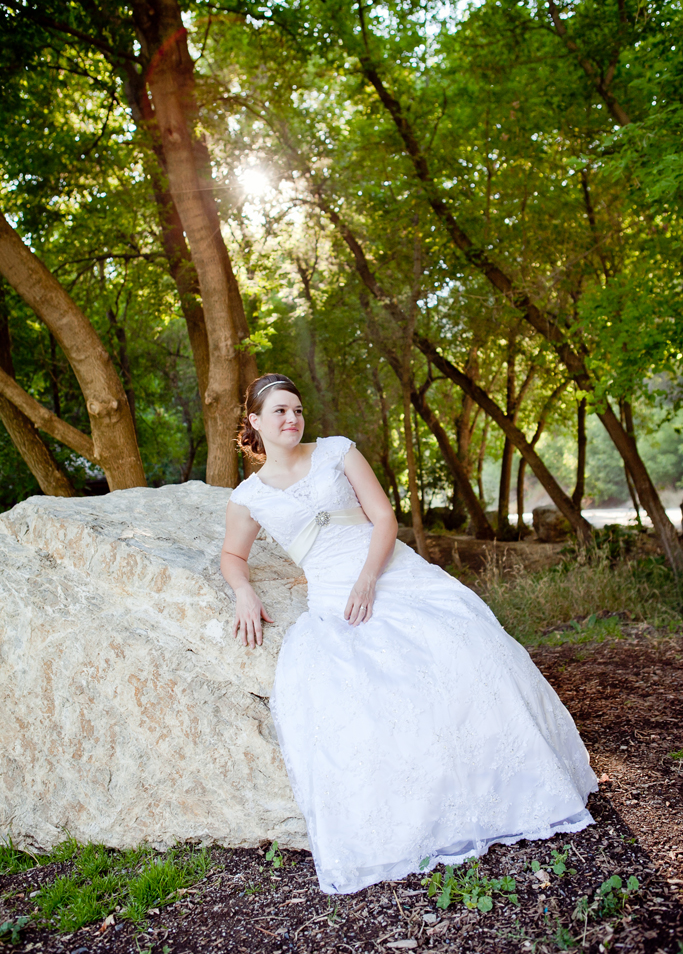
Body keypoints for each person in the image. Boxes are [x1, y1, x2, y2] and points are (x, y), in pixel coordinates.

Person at [220, 373, 597, 896]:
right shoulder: (248, 497)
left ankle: (507, 791)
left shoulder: (337, 451)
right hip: (331, 601)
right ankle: (414, 818)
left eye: (298, 410)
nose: (292, 419)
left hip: (389, 574)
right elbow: (231, 555)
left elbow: (383, 518)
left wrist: (369, 580)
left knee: (463, 652)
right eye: (280, 411)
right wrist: (243, 591)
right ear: (255, 423)